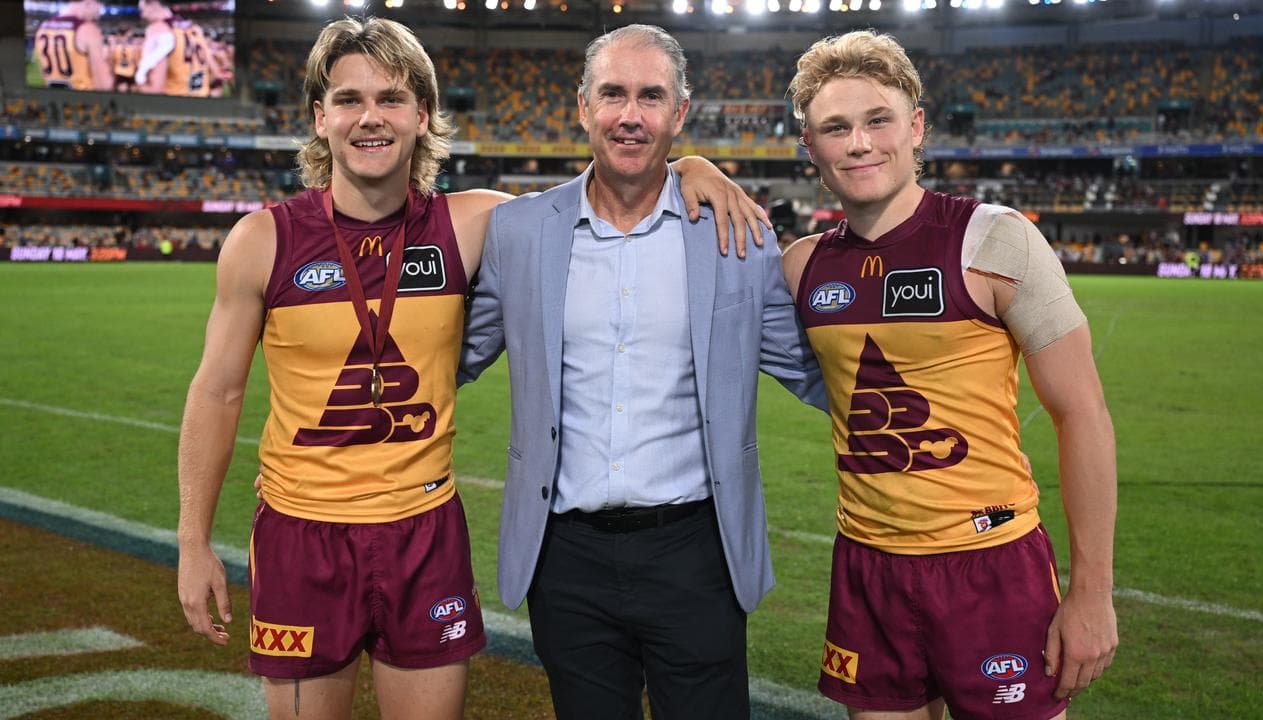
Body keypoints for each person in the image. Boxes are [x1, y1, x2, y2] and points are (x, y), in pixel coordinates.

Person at [177, 16, 765, 720]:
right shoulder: (263, 239)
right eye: (349, 100)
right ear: (319, 116)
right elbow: (217, 390)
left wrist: (691, 167)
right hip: (303, 532)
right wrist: (192, 541)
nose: (371, 118)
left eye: (392, 98)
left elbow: (600, 197)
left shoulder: (475, 223)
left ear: (423, 116)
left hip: (424, 529)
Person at [458, 24, 827, 720]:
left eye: (651, 97)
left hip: (695, 552)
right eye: (614, 94)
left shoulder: (736, 236)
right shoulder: (521, 233)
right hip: (564, 559)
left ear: (680, 112)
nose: (631, 114)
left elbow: (813, 370)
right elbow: (453, 361)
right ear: (582, 106)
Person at [781, 30, 1118, 720]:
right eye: (834, 128)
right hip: (867, 566)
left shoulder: (996, 240)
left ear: (917, 127)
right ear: (810, 147)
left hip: (991, 560)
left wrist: (1092, 593)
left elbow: (1082, 414)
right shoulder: (801, 266)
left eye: (878, 120)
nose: (860, 143)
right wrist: (696, 170)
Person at [33, 0, 113, 91]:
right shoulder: (87, 29)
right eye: (98, 9)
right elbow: (103, 84)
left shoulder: (43, 27)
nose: (97, 15)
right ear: (89, 2)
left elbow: (41, 69)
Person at [135, 0, 211, 96]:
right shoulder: (193, 28)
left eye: (142, 10)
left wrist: (139, 82)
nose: (142, 16)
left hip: (175, 103)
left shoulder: (158, 29)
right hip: (202, 101)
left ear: (153, 4)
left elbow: (155, 89)